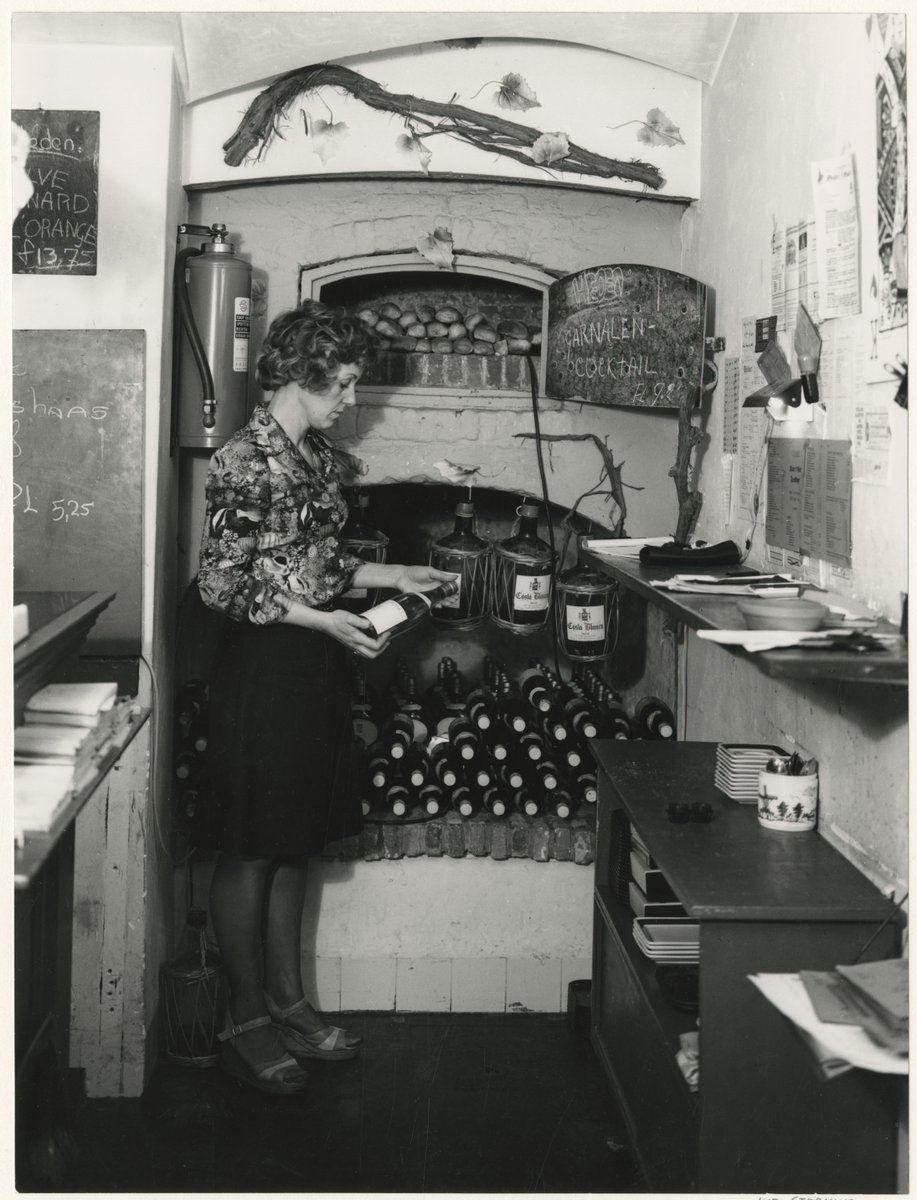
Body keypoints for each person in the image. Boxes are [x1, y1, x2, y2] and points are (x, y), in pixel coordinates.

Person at [197, 300, 452, 1094]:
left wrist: (391, 576)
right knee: (251, 846)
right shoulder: (244, 458)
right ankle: (243, 1019)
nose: (351, 400)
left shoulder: (310, 455)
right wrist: (323, 622)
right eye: (340, 384)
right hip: (263, 663)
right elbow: (220, 584)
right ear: (297, 378)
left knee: (295, 838)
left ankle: (289, 1003)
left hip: (310, 662)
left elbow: (318, 560)